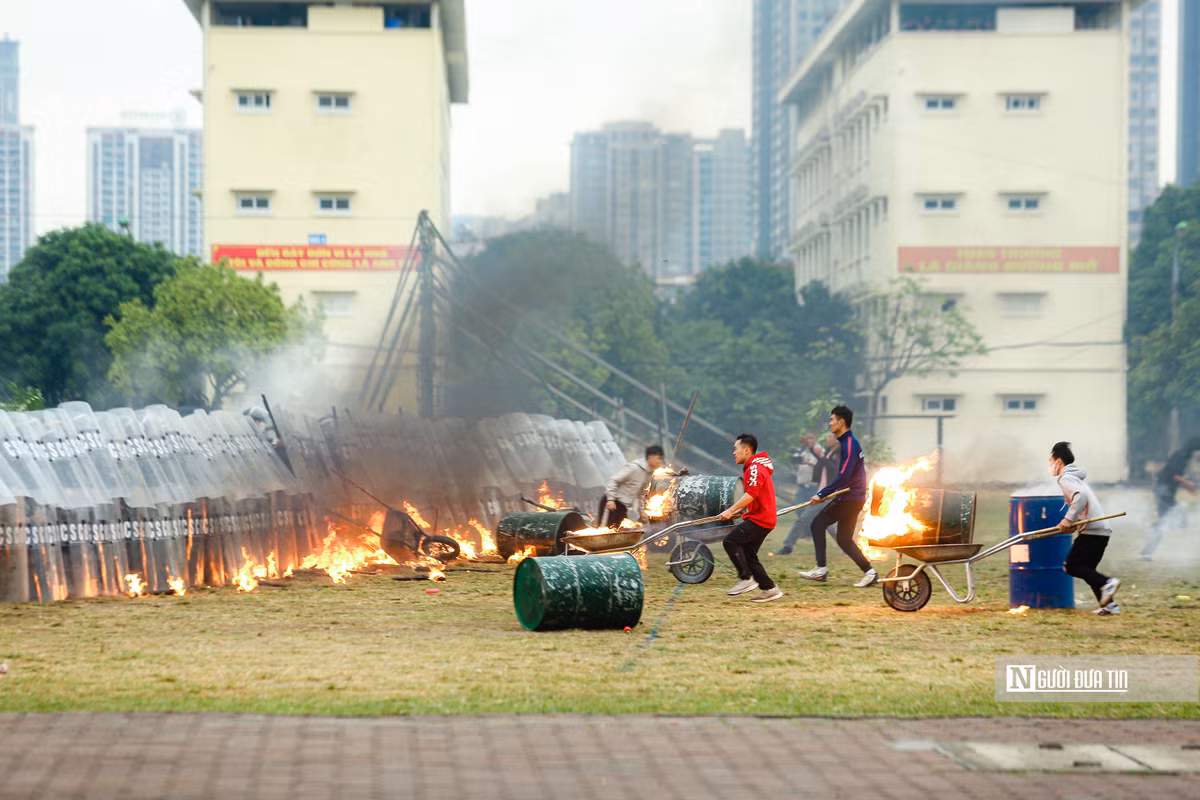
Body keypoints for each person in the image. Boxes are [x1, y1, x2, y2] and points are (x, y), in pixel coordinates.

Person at [798, 405, 877, 587]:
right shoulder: (847, 442)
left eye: (832, 420)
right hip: (853, 497)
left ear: (841, 422)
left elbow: (844, 477)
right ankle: (870, 573)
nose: (830, 423)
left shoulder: (849, 444)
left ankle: (821, 569)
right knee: (844, 539)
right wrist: (826, 492)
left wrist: (822, 493)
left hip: (850, 498)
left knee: (817, 524)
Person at [1051, 441, 1121, 615]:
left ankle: (1107, 583)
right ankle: (1110, 606)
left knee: (1072, 566)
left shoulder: (1066, 478)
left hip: (1093, 530)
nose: (1050, 466)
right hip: (1099, 530)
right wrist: (1072, 524)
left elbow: (1080, 497)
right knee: (1087, 569)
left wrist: (1068, 519)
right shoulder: (1075, 478)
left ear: (1058, 461)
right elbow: (1083, 504)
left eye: (1050, 462)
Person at [719, 433, 783, 603]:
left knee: (730, 542)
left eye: (736, 449)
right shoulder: (753, 467)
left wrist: (731, 510)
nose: (733, 452)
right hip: (763, 518)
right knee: (748, 554)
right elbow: (755, 495)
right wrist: (742, 510)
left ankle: (746, 578)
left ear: (746, 450)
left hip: (760, 519)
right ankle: (769, 589)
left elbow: (751, 494)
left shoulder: (754, 467)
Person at [1139, 437, 1200, 560]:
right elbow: (1173, 475)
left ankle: (1148, 550)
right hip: (1164, 491)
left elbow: (1172, 475)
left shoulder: (1182, 456)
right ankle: (1149, 543)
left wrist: (1187, 486)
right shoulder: (1181, 457)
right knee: (1173, 520)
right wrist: (1188, 484)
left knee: (1169, 521)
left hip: (1164, 490)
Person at [773, 432, 825, 555]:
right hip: (802, 487)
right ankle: (803, 535)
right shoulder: (801, 451)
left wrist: (809, 463)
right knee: (800, 511)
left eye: (811, 438)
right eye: (807, 439)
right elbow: (795, 463)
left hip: (815, 488)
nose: (809, 441)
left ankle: (846, 543)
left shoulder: (819, 450)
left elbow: (824, 466)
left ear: (815, 439)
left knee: (821, 519)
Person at [598, 445, 664, 528]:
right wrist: (610, 500)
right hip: (612, 503)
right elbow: (614, 481)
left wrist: (641, 511)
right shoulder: (634, 467)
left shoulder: (649, 474)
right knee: (605, 531)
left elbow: (641, 494)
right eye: (658, 458)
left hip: (622, 506)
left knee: (619, 531)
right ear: (650, 457)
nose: (660, 462)